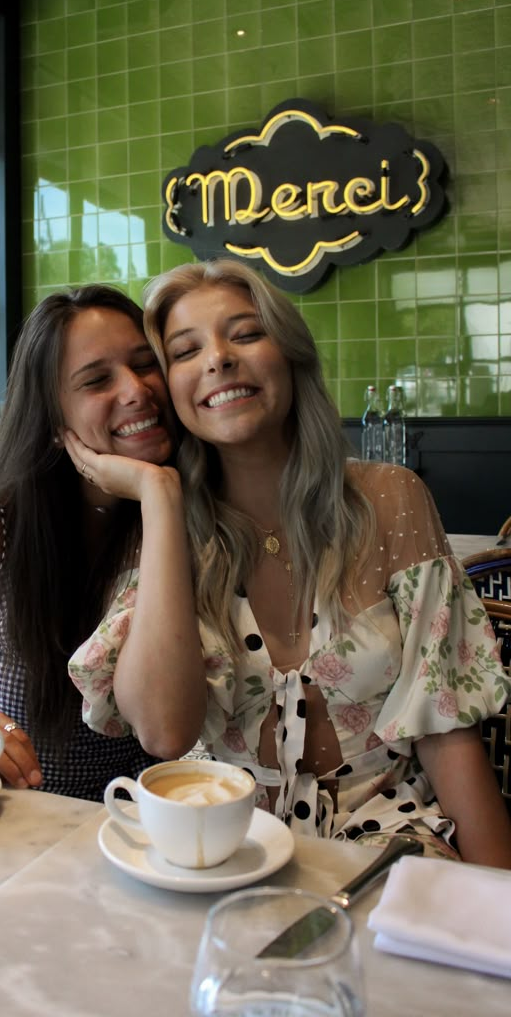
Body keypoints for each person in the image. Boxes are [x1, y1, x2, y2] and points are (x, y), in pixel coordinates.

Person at [67, 258, 511, 867]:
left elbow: (446, 729)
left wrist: (494, 914)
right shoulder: (165, 531)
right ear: (170, 390)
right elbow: (164, 735)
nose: (219, 358)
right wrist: (161, 500)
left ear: (292, 357)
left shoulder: (391, 498)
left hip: (386, 846)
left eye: (246, 333)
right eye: (186, 350)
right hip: (222, 847)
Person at [0, 283, 182, 802]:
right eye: (97, 380)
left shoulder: (178, 517)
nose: (137, 389)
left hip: (157, 841)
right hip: (25, 841)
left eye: (145, 363)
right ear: (51, 420)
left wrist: (158, 497)